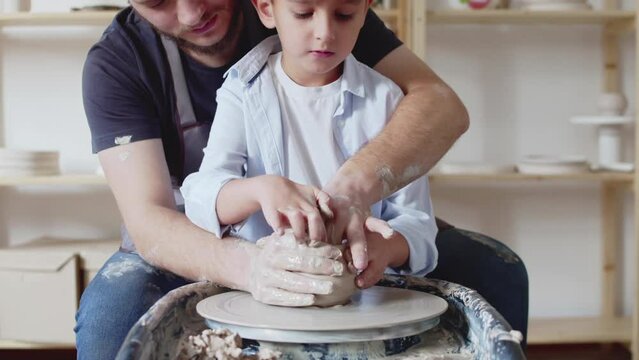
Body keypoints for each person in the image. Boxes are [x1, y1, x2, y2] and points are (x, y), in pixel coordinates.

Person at [75, 1, 526, 359]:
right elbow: (151, 218)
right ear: (267, 9)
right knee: (110, 315)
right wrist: (254, 267)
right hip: (204, 238)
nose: (192, 12)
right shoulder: (124, 62)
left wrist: (355, 195)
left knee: (495, 269)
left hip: (363, 229)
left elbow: (440, 107)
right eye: (158, 0)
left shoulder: (326, 15)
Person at [180, 0, 439, 304]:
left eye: (344, 15)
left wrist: (384, 246)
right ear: (266, 9)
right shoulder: (243, 92)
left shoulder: (386, 100)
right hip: (267, 292)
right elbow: (201, 196)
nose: (325, 33)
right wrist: (260, 190)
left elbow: (418, 226)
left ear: (365, 11)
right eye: (303, 13)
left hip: (362, 297)